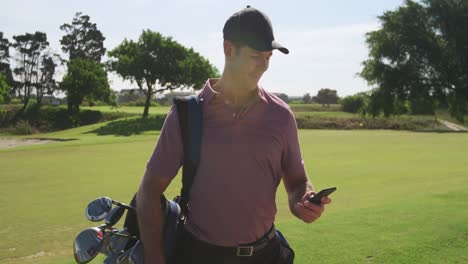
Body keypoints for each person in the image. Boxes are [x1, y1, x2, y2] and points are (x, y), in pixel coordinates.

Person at [136, 5, 332, 264]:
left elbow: (297, 182)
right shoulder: (187, 114)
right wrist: (154, 258)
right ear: (229, 50)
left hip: (265, 255)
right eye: (255, 56)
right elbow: (149, 191)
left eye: (268, 57)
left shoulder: (281, 116)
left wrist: (304, 201)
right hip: (200, 255)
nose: (263, 66)